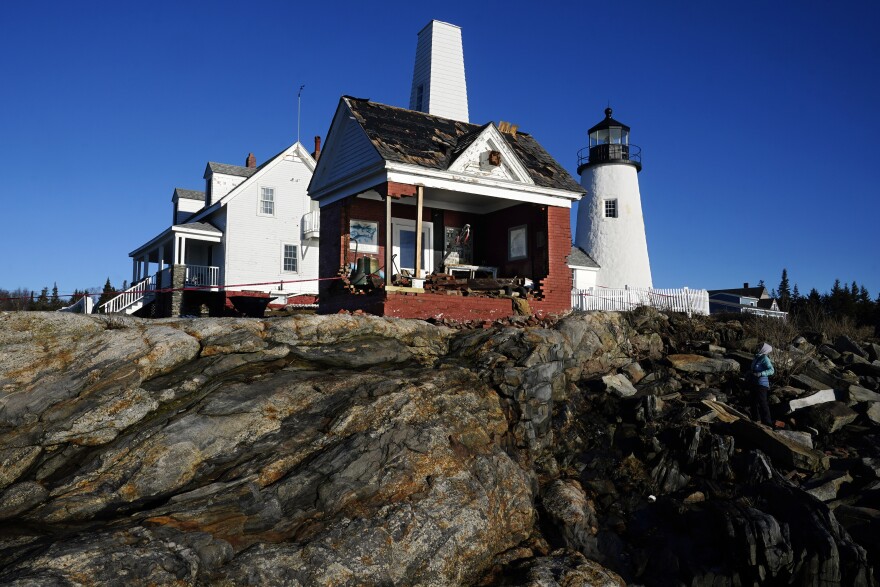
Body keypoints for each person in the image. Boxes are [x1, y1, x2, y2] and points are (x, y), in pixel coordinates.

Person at [748, 342, 775, 426]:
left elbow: (771, 370)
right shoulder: (756, 357)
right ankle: (756, 419)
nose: (758, 348)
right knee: (753, 401)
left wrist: (761, 374)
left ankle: (767, 422)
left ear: (764, 349)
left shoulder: (765, 358)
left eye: (760, 347)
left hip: (761, 384)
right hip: (754, 382)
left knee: (762, 402)